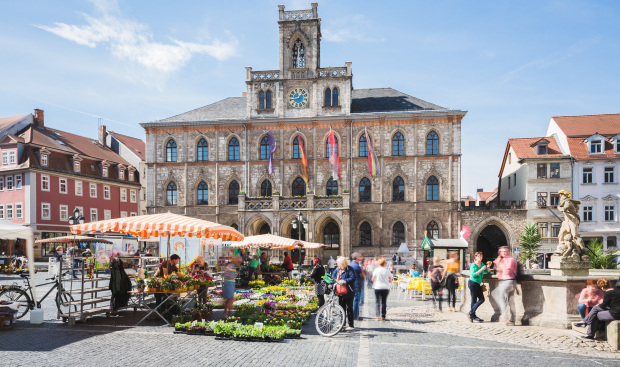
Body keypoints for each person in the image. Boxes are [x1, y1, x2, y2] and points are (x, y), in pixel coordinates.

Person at [493, 246, 518, 326]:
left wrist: (499, 263)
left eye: (504, 251)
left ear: (508, 251)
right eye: (501, 251)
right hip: (505, 281)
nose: (502, 253)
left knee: (498, 294)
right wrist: (498, 268)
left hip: (509, 281)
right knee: (510, 301)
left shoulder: (511, 259)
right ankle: (512, 320)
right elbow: (499, 270)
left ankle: (504, 317)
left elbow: (507, 271)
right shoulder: (503, 259)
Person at [332, 256, 356, 331]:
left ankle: (351, 325)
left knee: (349, 308)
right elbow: (333, 277)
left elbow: (353, 278)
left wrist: (344, 281)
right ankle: (342, 323)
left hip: (349, 291)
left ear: (342, 263)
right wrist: (332, 282)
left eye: (338, 263)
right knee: (341, 308)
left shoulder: (349, 269)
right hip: (340, 292)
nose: (337, 264)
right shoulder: (337, 269)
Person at [468, 252, 490, 322]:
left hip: (477, 284)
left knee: (482, 299)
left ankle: (471, 313)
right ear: (476, 257)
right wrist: (481, 269)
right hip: (472, 283)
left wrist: (488, 266)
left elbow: (488, 271)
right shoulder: (473, 265)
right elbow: (473, 275)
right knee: (473, 299)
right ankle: (472, 316)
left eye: (481, 256)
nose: (480, 257)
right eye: (478, 256)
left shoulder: (482, 264)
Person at [350, 252, 365, 321]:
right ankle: (355, 316)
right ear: (356, 258)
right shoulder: (356, 265)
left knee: (354, 300)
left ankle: (355, 315)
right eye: (359, 256)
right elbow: (362, 275)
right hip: (356, 284)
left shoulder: (351, 264)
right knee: (356, 300)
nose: (360, 257)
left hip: (352, 284)